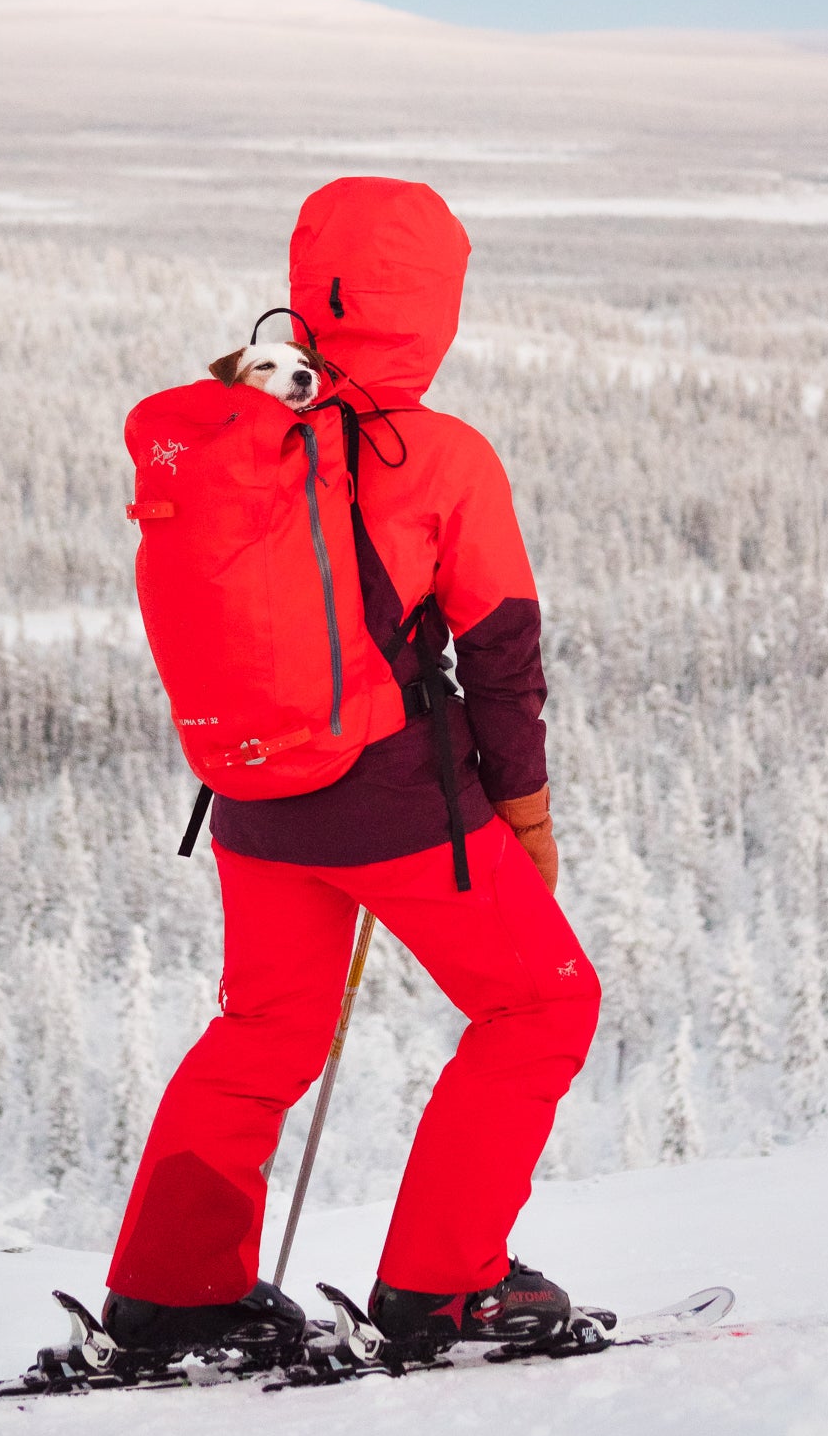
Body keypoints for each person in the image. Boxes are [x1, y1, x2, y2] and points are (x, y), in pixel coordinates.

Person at [103, 175, 601, 1360]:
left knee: (262, 1033)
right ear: (433, 306)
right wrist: (524, 817)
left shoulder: (241, 436)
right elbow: (502, 656)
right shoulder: (442, 455)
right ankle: (445, 1286)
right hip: (396, 804)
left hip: (254, 797)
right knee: (542, 1004)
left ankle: (173, 1294)